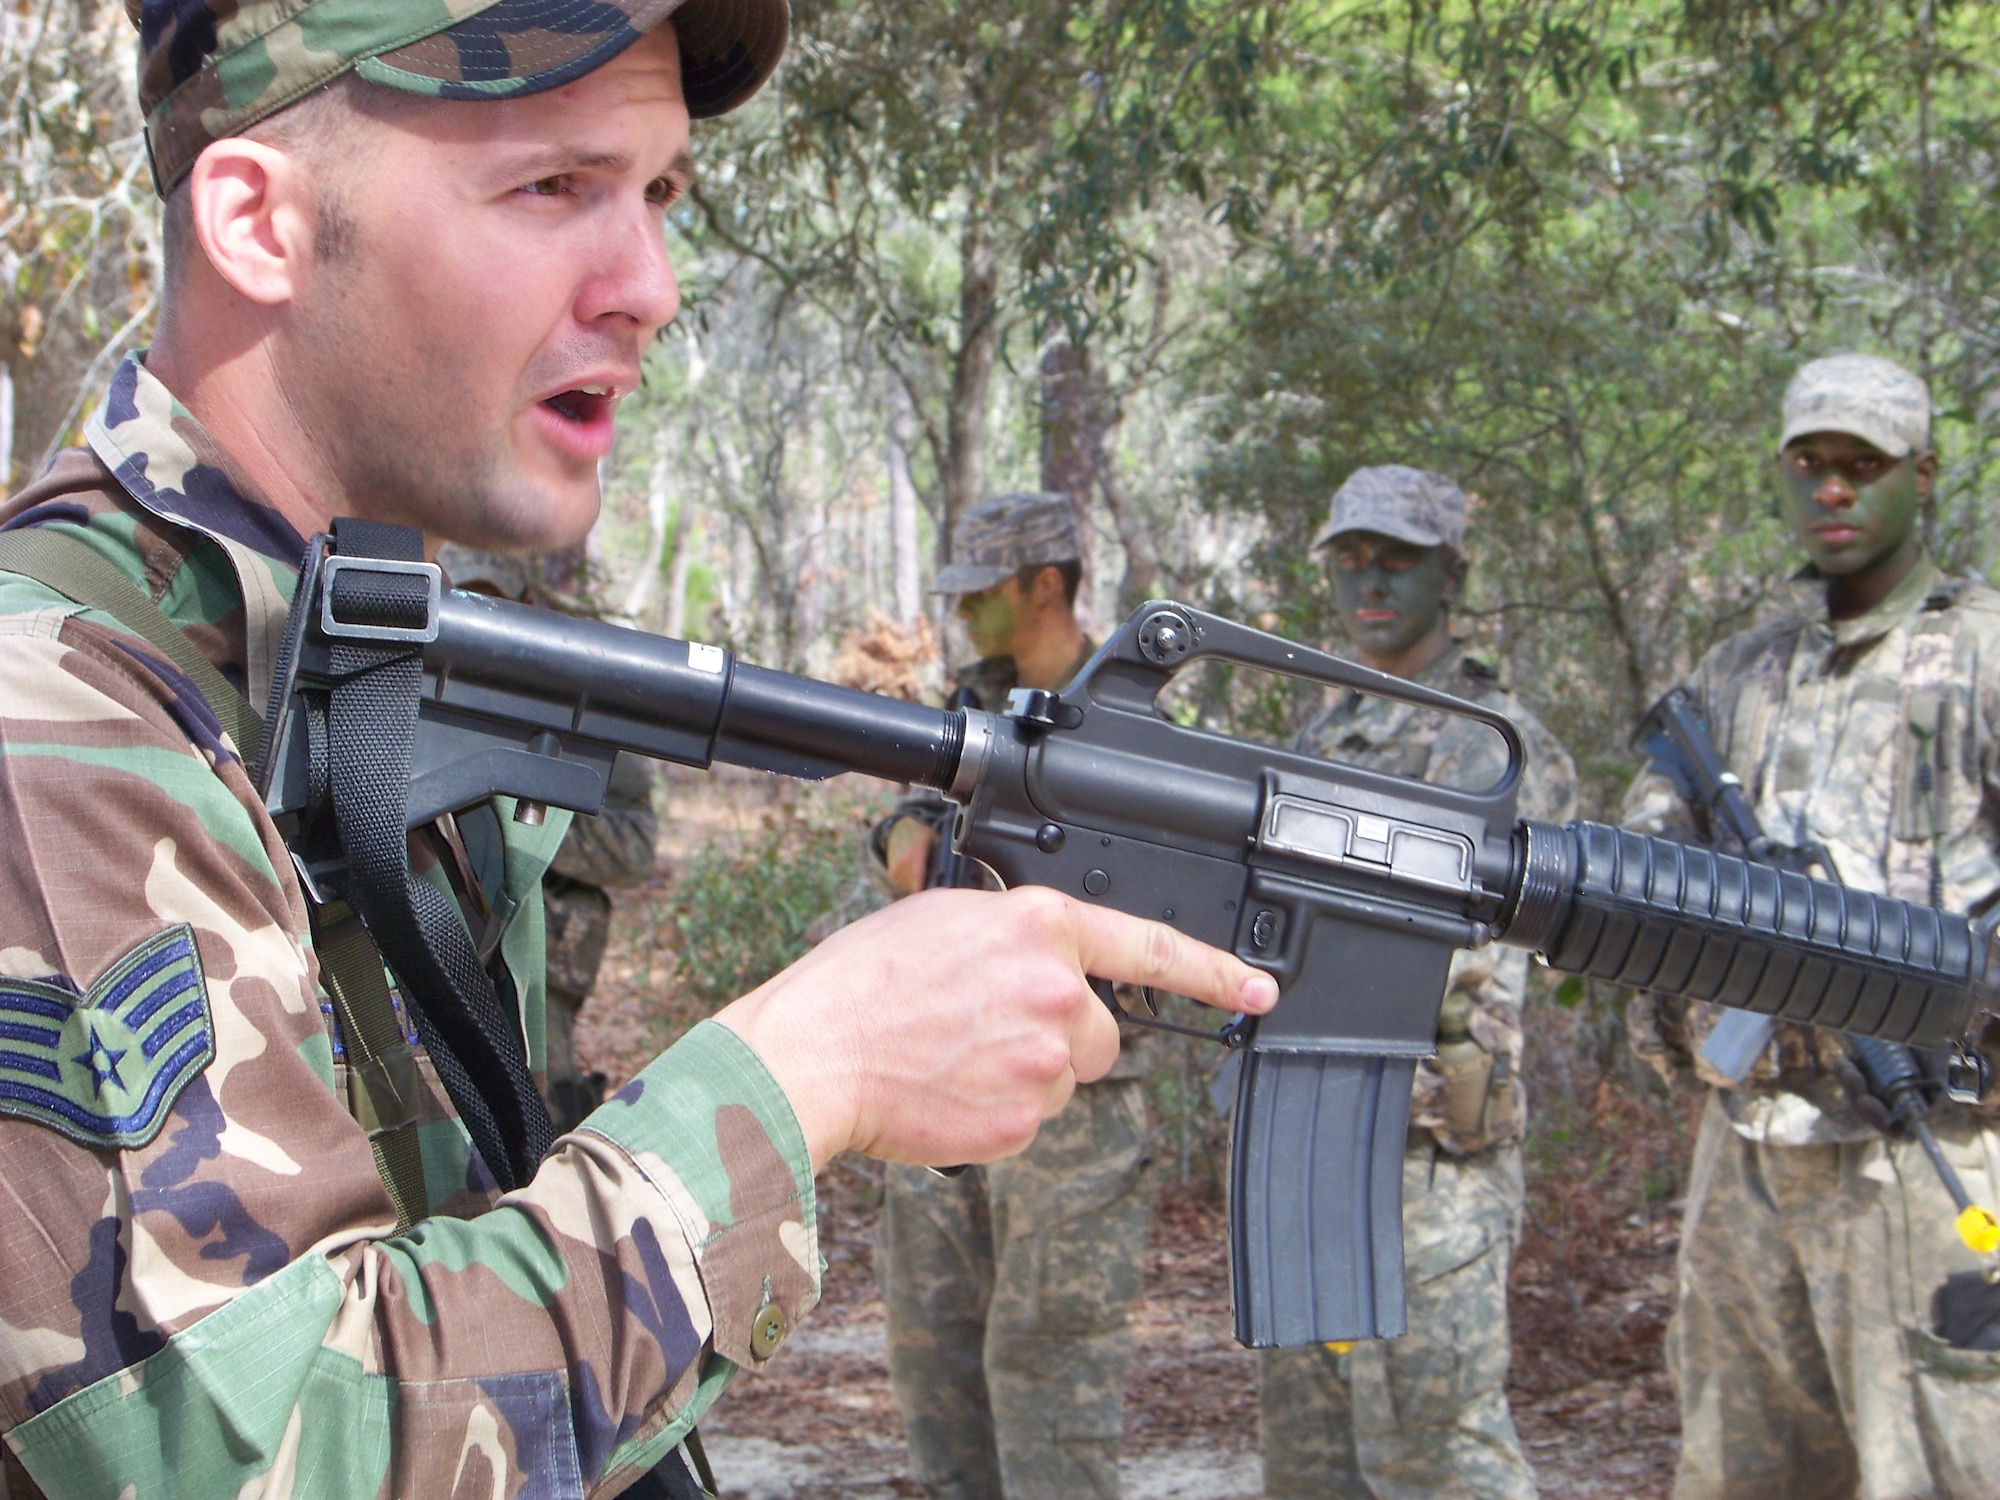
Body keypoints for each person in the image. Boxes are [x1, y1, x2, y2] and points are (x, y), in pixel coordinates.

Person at [0, 9, 1281, 1500]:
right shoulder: (55, 714)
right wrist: (805, 1074)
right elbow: (264, 1449)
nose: (651, 289)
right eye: (553, 187)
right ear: (260, 223)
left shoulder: (326, 663)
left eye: (661, 194)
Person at [1620, 353, 2000, 1500]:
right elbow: (1637, 880)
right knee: (1737, 1470)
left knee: (1937, 1466)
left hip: (1930, 1155)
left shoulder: (1981, 655)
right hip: (1744, 1153)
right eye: (1808, 465)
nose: (1831, 490)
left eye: (1861, 467)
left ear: (1920, 477)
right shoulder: (1736, 678)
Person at [1258, 465, 1577, 1500]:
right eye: (1349, 559)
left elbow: (1450, 944)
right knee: (1309, 1460)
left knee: (1435, 1454)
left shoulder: (1496, 747)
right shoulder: (1324, 734)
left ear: (1451, 574)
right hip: (1305, 1138)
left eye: (1395, 558)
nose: (1368, 581)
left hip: (1426, 1157)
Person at [864, 491, 1156, 1500]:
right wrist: (913, 854)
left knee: (1048, 1375)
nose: (963, 617)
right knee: (932, 1359)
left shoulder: (1140, 722)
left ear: (1046, 586)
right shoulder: (969, 701)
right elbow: (904, 820)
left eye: (980, 596)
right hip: (943, 1061)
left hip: (1075, 1092)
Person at [435, 545, 661, 1134]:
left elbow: (635, 849)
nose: (488, 613)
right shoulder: (428, 671)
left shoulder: (581, 696)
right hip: (436, 935)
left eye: (502, 600)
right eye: (470, 597)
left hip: (542, 962)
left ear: (530, 603)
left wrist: (513, 800)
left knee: (538, 1112)